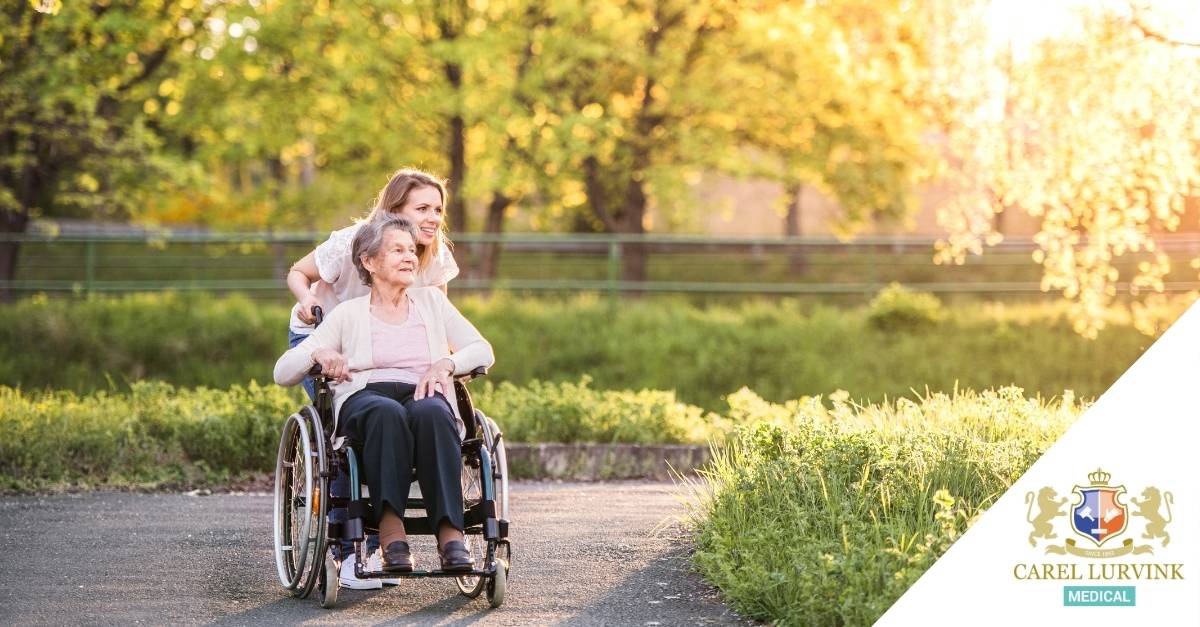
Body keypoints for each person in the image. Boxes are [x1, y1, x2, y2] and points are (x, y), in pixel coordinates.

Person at [274, 215, 494, 578]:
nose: (410, 257)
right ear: (370, 261)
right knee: (385, 412)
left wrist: (446, 363)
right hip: (366, 398)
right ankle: (392, 533)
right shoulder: (347, 314)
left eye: (411, 250)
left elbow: (482, 349)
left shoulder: (432, 304)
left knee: (435, 414)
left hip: (423, 391)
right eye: (397, 250)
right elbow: (282, 371)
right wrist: (316, 354)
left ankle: (451, 534)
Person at [285, 168, 457, 588]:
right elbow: (297, 271)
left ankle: (417, 534)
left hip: (390, 351)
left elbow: (437, 320)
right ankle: (349, 550)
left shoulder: (432, 254)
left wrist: (443, 367)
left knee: (420, 413)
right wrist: (308, 300)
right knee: (347, 436)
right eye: (422, 208)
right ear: (395, 209)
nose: (433, 217)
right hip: (325, 336)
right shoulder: (352, 241)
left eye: (438, 209)